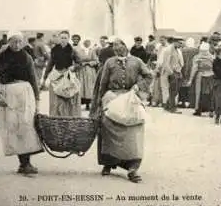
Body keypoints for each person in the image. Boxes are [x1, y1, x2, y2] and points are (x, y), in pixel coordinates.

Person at [89, 38, 153, 183]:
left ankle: (132, 167)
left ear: (126, 46)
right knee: (107, 124)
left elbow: (149, 75)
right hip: (112, 96)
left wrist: (138, 86)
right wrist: (99, 103)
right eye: (114, 46)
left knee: (134, 127)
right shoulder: (109, 62)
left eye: (120, 45)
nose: (117, 48)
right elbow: (103, 83)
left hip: (130, 96)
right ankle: (108, 163)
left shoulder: (136, 61)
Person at [0, 31, 43, 175]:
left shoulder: (26, 57)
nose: (17, 45)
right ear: (8, 42)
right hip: (8, 94)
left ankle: (25, 162)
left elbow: (33, 78)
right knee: (13, 126)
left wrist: (37, 97)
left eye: (20, 42)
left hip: (24, 93)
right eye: (14, 41)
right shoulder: (1, 57)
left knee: (26, 126)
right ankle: (23, 162)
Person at [43, 30, 81, 117]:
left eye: (65, 38)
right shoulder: (54, 50)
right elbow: (50, 64)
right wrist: (45, 78)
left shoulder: (72, 50)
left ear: (68, 39)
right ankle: (57, 117)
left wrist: (74, 67)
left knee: (68, 98)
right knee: (56, 99)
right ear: (59, 39)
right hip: (57, 76)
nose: (63, 40)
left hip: (68, 76)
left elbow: (79, 63)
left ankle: (68, 118)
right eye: (62, 38)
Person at [188, 42, 215, 117]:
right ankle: (211, 110)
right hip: (211, 76)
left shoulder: (197, 57)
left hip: (200, 75)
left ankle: (198, 110)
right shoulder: (212, 57)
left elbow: (194, 68)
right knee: (210, 94)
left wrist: (190, 79)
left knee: (199, 93)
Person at [160, 36, 184, 113]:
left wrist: (179, 71)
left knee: (176, 90)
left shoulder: (178, 50)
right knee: (173, 90)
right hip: (171, 72)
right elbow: (166, 63)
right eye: (179, 43)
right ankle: (172, 108)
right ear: (175, 42)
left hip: (178, 72)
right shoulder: (168, 50)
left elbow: (180, 61)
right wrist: (171, 73)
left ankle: (167, 105)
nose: (181, 45)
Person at [75, 38, 99, 111]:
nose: (87, 43)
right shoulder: (79, 51)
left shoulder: (92, 51)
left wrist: (89, 63)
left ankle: (88, 104)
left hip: (90, 71)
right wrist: (81, 63)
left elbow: (96, 61)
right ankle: (80, 103)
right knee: (82, 86)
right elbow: (77, 60)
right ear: (83, 43)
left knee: (89, 87)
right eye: (85, 42)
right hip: (81, 71)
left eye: (88, 42)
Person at [179, 38, 198, 108]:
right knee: (192, 87)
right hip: (193, 70)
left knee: (183, 87)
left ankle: (183, 102)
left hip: (184, 69)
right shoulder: (197, 50)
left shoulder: (182, 50)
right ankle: (192, 103)